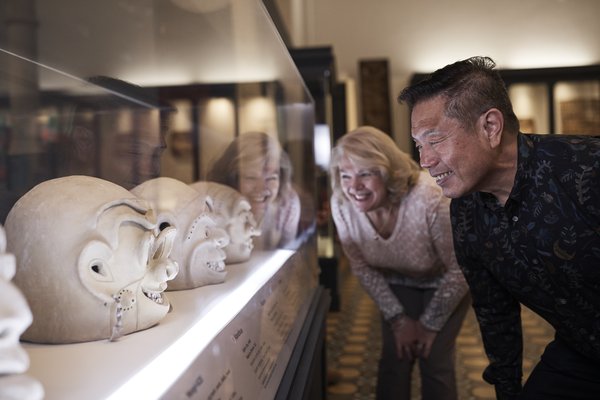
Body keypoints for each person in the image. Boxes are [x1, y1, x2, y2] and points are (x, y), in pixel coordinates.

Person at [398, 56, 600, 400]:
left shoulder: (587, 168)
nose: (425, 161)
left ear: (490, 127)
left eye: (435, 139)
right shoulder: (464, 213)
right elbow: (495, 312)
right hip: (580, 350)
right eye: (419, 145)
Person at [329, 126, 470, 400]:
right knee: (395, 357)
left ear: (387, 172)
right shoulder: (341, 204)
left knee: (434, 359)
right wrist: (399, 320)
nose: (353, 187)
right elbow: (360, 266)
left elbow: (460, 268)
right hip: (395, 281)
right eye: (345, 175)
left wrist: (429, 325)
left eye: (365, 173)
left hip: (447, 281)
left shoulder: (430, 197)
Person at [207, 131, 301, 250]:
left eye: (271, 178)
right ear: (231, 179)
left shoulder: (288, 204)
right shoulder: (212, 206)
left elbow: (286, 255)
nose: (262, 188)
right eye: (251, 177)